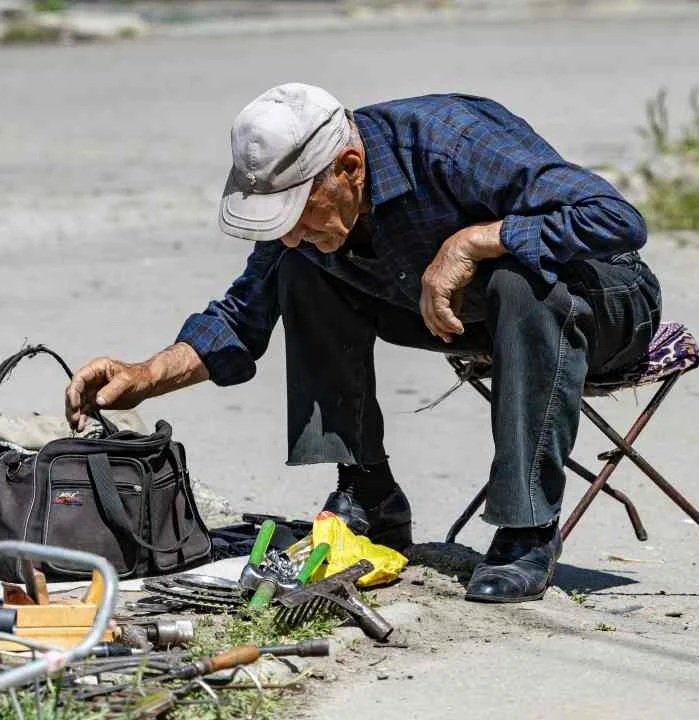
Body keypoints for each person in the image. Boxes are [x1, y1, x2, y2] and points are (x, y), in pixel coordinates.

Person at [65, 83, 660, 603]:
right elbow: (241, 315)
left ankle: (527, 530)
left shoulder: (448, 142)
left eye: (298, 212)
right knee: (301, 268)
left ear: (349, 167)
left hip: (603, 304)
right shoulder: (307, 225)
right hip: (467, 314)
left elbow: (615, 218)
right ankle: (370, 495)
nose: (291, 231)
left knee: (519, 279)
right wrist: (143, 376)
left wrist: (476, 242)